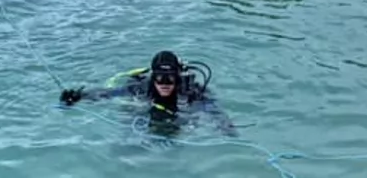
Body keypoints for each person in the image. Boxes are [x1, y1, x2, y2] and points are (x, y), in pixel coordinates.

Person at [58, 51, 236, 136]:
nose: (164, 84)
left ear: (178, 77)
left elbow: (213, 110)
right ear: (152, 77)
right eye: (160, 78)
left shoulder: (191, 91)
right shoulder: (142, 87)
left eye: (169, 78)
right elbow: (107, 94)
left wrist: (226, 128)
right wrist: (78, 97)